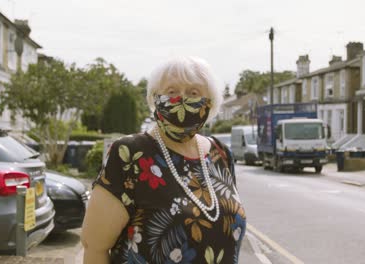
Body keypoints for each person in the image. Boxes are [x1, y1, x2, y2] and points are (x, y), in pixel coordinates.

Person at [81, 56, 246, 264]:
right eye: (172, 91)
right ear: (155, 97)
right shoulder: (130, 154)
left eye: (193, 92)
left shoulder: (221, 154)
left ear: (210, 102)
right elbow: (95, 247)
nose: (182, 99)